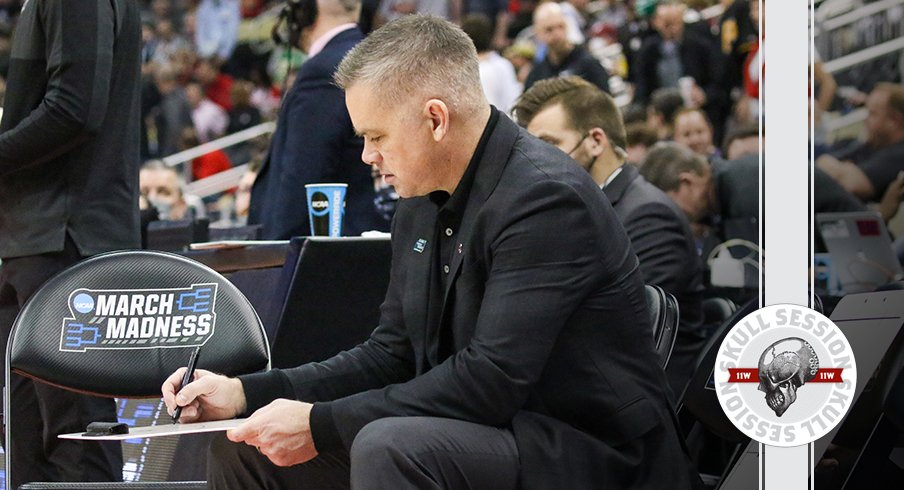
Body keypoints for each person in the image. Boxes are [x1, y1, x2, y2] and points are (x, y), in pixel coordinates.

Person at [163, 15, 699, 490]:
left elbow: (490, 382)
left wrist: (319, 423)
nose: (368, 156)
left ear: (436, 119)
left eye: (376, 136)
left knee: (390, 446)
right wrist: (244, 393)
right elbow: (391, 353)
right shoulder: (419, 196)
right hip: (490, 432)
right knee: (243, 446)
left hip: (587, 450)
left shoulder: (546, 197)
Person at [0, 0, 142, 487]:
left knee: (77, 444)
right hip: (39, 236)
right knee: (30, 445)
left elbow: (73, 109)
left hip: (64, 235)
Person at [514, 75, 704, 397]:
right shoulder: (590, 208)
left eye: (548, 145)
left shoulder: (647, 214)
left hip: (644, 404)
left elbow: (622, 329)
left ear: (596, 141)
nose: (537, 162)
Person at [248, 0, 387, 238]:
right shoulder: (366, 57)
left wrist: (277, 261)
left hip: (324, 254)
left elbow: (302, 180)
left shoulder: (324, 70)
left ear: (303, 10)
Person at [817, 83, 904, 202]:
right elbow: (820, 166)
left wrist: (838, 168)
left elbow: (852, 184)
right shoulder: (871, 145)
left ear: (894, 121)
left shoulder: (899, 155)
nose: (866, 119)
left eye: (873, 113)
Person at [523, 2, 609, 92]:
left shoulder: (588, 63)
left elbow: (606, 101)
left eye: (561, 26)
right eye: (549, 30)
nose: (557, 34)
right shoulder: (537, 75)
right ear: (538, 34)